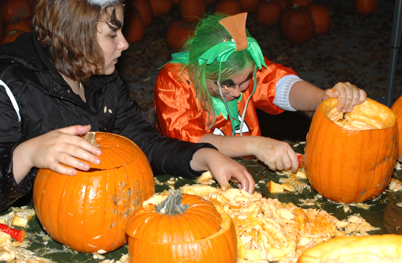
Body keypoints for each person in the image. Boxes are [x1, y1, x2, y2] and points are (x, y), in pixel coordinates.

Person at [0, 0, 255, 220]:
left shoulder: (101, 79)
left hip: (86, 214)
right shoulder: (2, 90)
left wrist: (204, 156)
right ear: (75, 36)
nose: (124, 44)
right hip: (10, 229)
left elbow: (142, 142)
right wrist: (27, 154)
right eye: (112, 35)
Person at [154, 12, 367, 173]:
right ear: (199, 70)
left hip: (244, 170)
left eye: (245, 81)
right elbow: (191, 143)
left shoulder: (245, 69)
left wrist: (324, 98)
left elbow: (279, 85)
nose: (237, 92)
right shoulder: (174, 80)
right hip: (189, 176)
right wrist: (256, 144)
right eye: (226, 84)